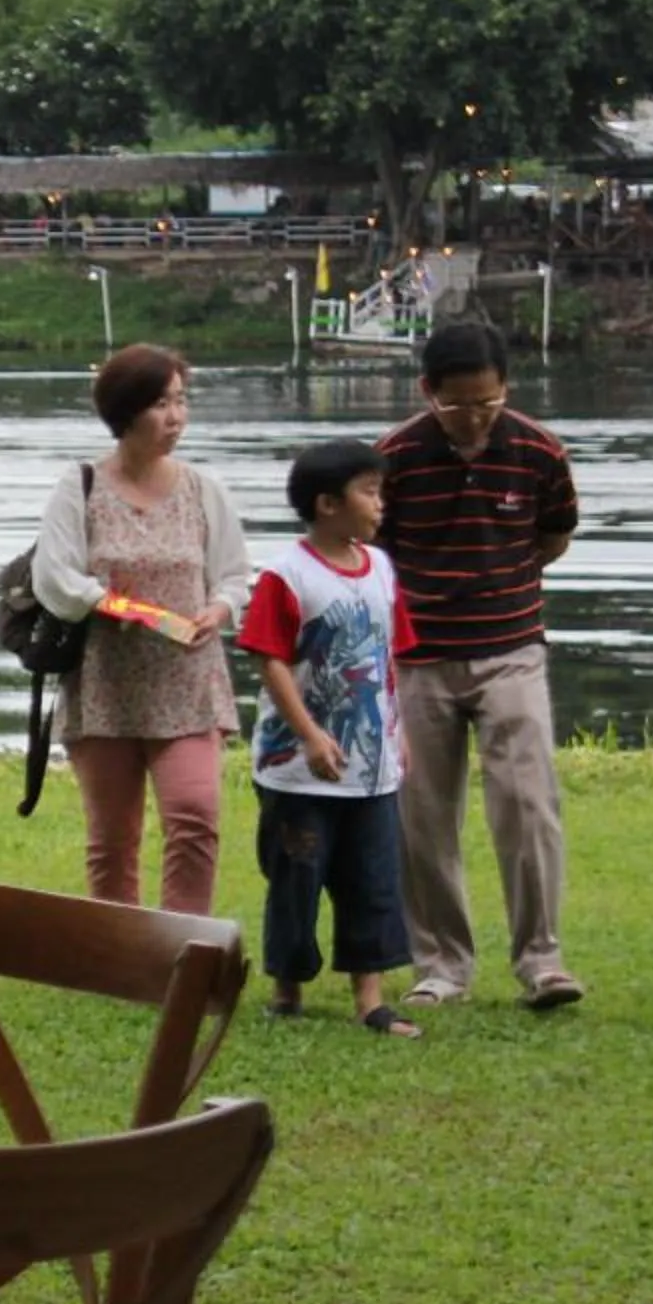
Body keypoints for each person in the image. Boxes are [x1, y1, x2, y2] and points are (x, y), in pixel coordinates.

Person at [375, 321, 585, 1011]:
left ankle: (542, 960)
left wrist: (497, 581)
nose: (473, 418)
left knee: (527, 802)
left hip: (511, 648)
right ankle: (441, 966)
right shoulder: (394, 459)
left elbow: (551, 538)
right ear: (427, 391)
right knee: (422, 815)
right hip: (418, 656)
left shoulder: (538, 451)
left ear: (506, 390)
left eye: (487, 403)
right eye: (458, 404)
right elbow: (371, 556)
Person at [31, 344, 251, 913]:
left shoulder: (205, 489)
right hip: (106, 683)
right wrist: (114, 606)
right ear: (125, 413)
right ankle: (119, 952)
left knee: (195, 819)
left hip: (188, 680)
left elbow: (233, 575)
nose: (176, 417)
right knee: (112, 839)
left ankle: (184, 952)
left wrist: (220, 609)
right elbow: (53, 577)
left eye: (181, 401)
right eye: (160, 403)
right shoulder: (79, 487)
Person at [236, 440, 420, 1035]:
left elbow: (391, 660)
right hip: (299, 770)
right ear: (326, 504)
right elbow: (270, 661)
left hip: (371, 766)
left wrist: (400, 734)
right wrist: (310, 735)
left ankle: (371, 999)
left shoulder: (383, 569)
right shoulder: (286, 576)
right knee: (297, 875)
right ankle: (287, 987)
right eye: (369, 491)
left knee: (374, 879)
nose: (380, 504)